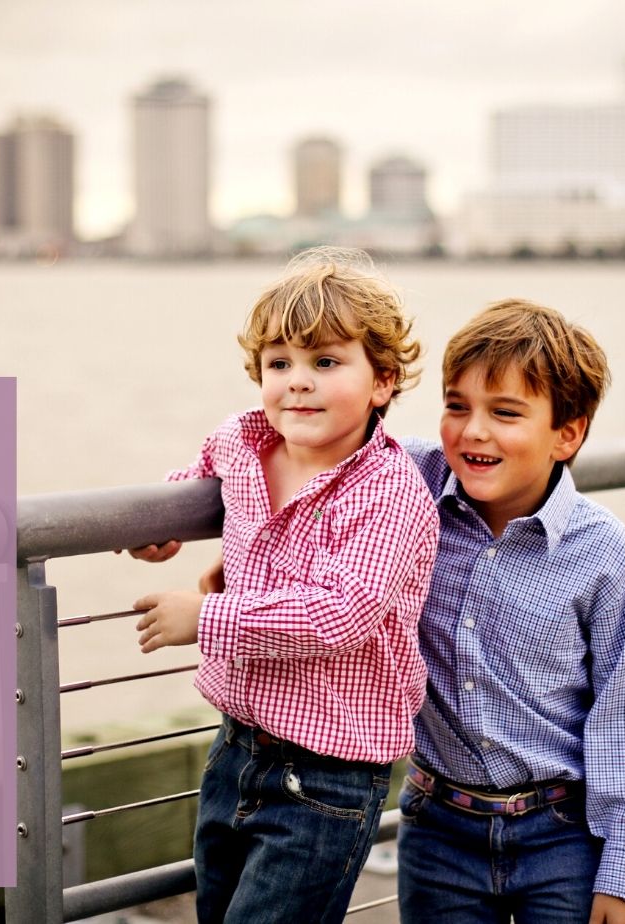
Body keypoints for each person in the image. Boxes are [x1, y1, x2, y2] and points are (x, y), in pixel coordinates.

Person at [126, 248, 439, 924]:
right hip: (234, 749)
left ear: (382, 381)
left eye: (326, 362)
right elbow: (199, 477)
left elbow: (341, 612)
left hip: (328, 776)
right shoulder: (242, 443)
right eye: (280, 364)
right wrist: (160, 525)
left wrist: (207, 618)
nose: (298, 382)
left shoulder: (387, 493)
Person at [395, 299, 625, 924]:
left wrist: (624, 875)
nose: (473, 431)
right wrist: (243, 555)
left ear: (566, 434)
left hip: (564, 838)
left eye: (506, 413)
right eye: (456, 405)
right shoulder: (406, 485)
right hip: (437, 833)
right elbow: (319, 453)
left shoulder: (610, 558)